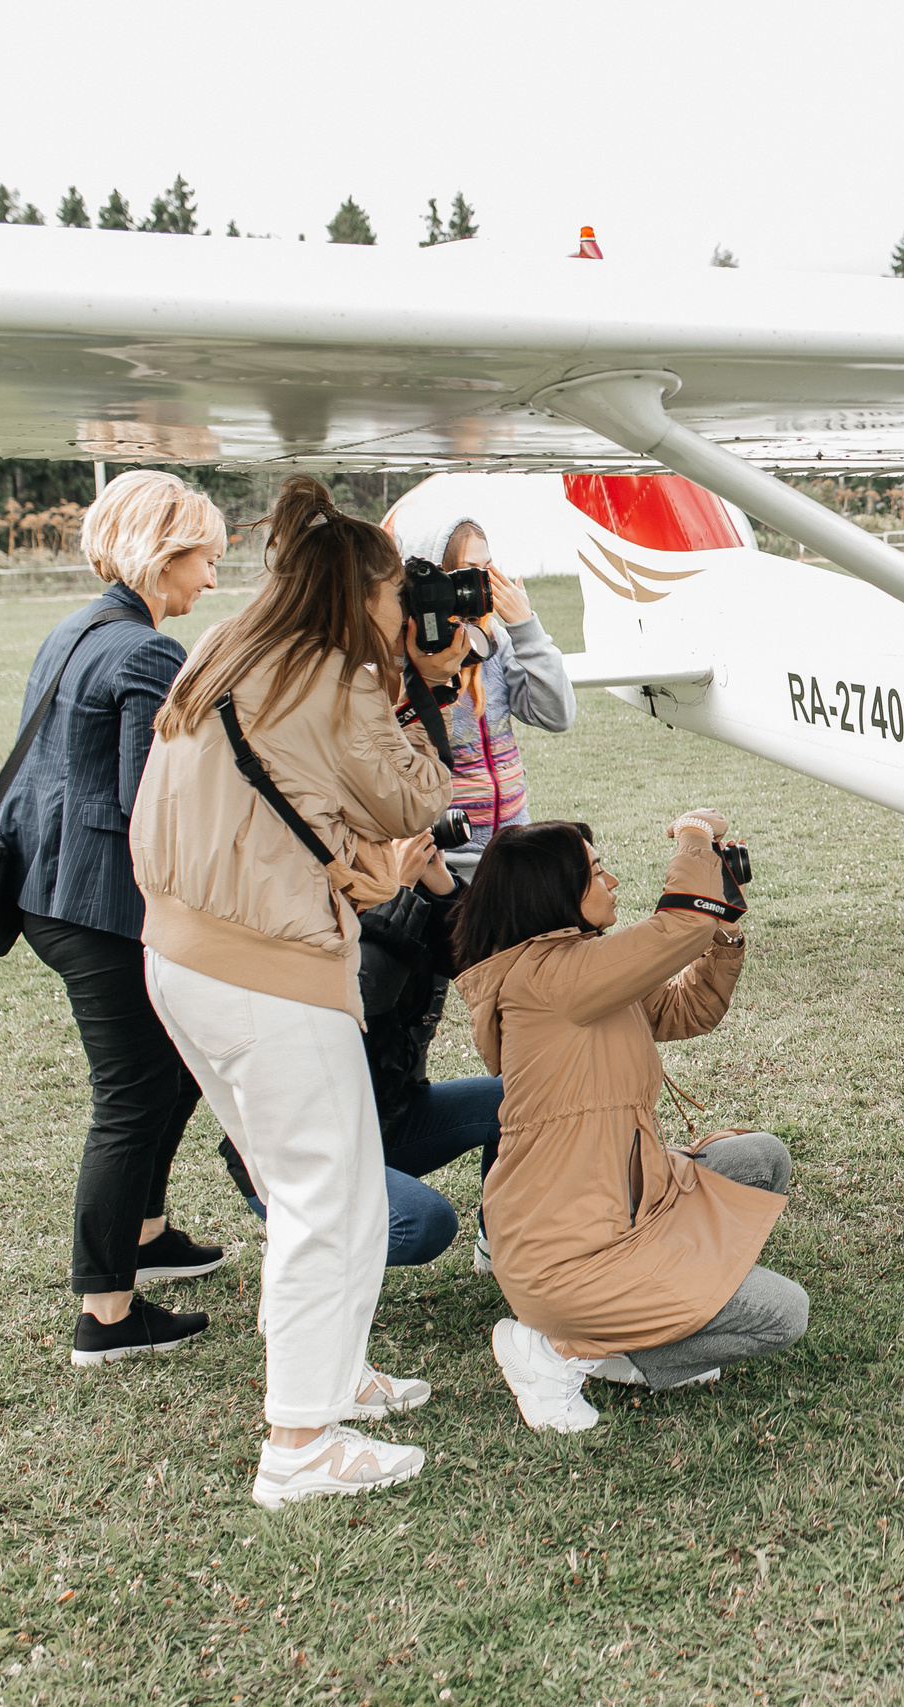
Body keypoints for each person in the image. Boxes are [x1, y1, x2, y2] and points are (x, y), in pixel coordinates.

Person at [130, 475, 466, 1509]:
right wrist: (430, 686)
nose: (399, 612)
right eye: (393, 597)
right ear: (360, 593)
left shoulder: (228, 645)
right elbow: (414, 799)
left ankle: (333, 1375)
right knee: (331, 1192)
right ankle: (301, 1444)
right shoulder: (335, 675)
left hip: (182, 954)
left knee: (302, 1185)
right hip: (265, 968)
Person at [451, 815, 806, 1434]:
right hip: (569, 1252)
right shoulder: (551, 980)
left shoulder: (578, 967)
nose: (611, 881)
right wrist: (694, 837)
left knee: (761, 1160)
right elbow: (679, 925)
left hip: (627, 1201)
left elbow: (689, 1008)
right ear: (552, 893)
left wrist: (724, 930)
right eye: (595, 872)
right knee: (781, 1313)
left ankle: (626, 1338)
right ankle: (559, 1352)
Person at [0, 469, 232, 1368]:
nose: (211, 578)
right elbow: (153, 803)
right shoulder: (146, 653)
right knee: (132, 1096)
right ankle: (106, 1313)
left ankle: (148, 1231)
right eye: (204, 559)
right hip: (96, 905)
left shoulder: (76, 628)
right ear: (161, 556)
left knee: (174, 1068)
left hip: (49, 889)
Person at [215, 827, 503, 1270]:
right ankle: (298, 1246)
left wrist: (441, 885)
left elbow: (480, 963)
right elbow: (366, 994)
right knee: (422, 1224)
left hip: (386, 1118)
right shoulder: (302, 903)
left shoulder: (395, 899)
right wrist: (398, 888)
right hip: (304, 1149)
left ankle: (499, 1241)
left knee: (517, 1100)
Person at [387, 503, 574, 855]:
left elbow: (556, 715)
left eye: (487, 569)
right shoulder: (402, 655)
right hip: (447, 853)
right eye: (468, 572)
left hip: (511, 844)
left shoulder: (492, 640)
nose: (481, 584)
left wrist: (526, 627)